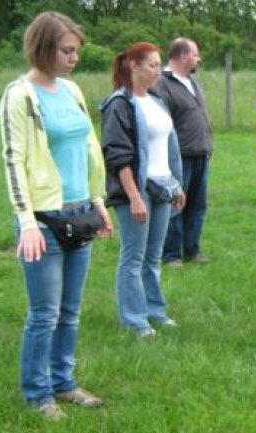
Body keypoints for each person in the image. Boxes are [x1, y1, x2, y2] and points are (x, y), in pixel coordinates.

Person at [0, 12, 112, 420]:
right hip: (44, 221)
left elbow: (88, 148)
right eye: (67, 51)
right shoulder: (19, 95)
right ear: (43, 48)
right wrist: (26, 222)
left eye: (76, 51)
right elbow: (14, 161)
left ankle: (64, 383)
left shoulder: (72, 90)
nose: (74, 58)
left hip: (81, 214)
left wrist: (98, 203)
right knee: (43, 313)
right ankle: (38, 393)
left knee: (70, 310)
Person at [100, 42, 186, 338]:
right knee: (133, 257)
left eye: (159, 64)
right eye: (151, 65)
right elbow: (117, 156)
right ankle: (134, 320)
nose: (157, 71)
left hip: (163, 187)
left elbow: (170, 146)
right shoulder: (119, 104)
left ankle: (155, 312)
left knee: (153, 256)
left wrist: (177, 184)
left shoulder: (157, 101)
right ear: (132, 66)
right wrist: (134, 196)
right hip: (137, 191)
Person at [154, 38, 213, 268]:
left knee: (198, 205)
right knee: (176, 204)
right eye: (195, 54)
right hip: (179, 156)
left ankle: (192, 250)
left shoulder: (193, 82)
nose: (198, 59)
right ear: (182, 56)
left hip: (201, 154)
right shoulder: (162, 84)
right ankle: (171, 255)